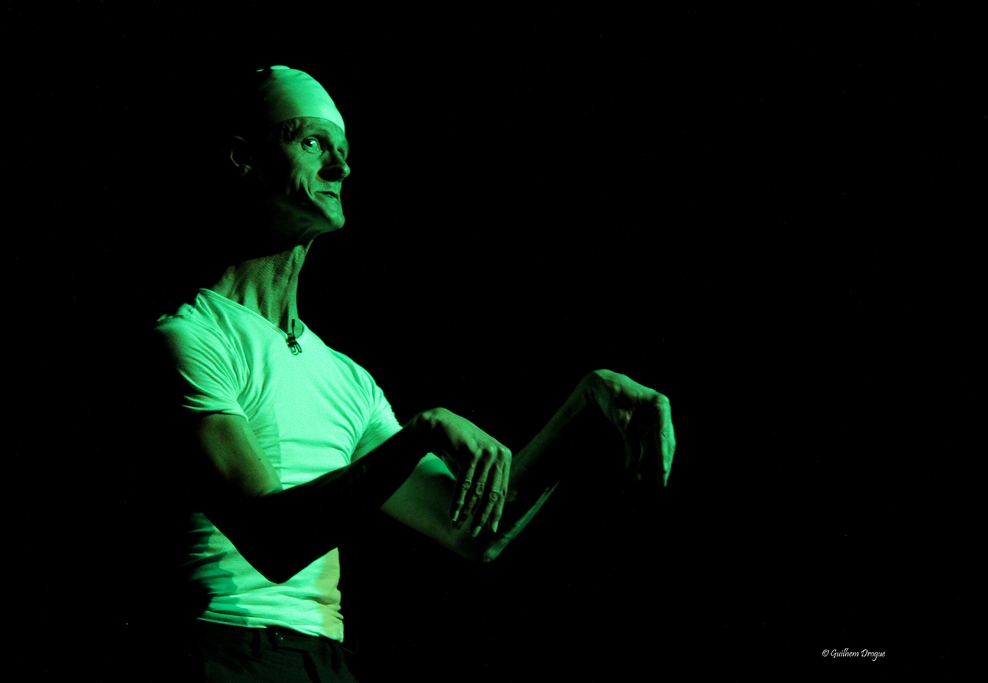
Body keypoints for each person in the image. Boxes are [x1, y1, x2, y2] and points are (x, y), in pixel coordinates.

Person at [150, 65, 676, 683]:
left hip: (324, 657)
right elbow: (273, 540)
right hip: (222, 649)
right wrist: (420, 434)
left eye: (344, 153)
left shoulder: (344, 377)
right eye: (313, 143)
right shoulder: (190, 337)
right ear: (243, 157)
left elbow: (477, 529)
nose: (340, 170)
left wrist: (586, 405)